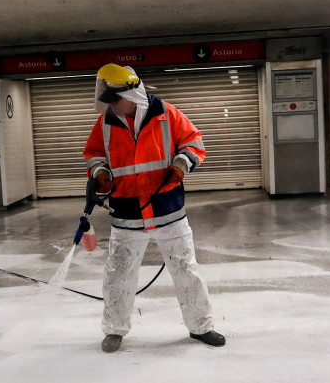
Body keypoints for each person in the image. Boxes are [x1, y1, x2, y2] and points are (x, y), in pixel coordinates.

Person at [83, 63, 225, 353]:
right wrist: (101, 173)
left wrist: (182, 164)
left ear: (133, 94)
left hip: (167, 210)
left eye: (115, 100)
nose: (111, 106)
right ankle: (114, 330)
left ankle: (201, 326)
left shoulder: (166, 114)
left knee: (186, 269)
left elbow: (194, 141)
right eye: (107, 101)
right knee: (118, 274)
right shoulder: (105, 123)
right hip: (126, 213)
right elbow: (95, 153)